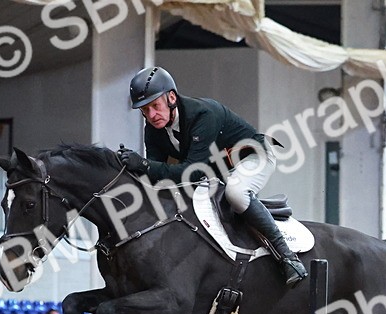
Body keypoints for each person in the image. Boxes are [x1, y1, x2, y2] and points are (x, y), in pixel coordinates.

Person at [117, 66, 307, 288]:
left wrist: (144, 164)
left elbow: (191, 171)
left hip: (253, 155)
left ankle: (287, 257)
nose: (151, 115)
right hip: (216, 168)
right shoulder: (153, 128)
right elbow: (157, 178)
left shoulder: (202, 114)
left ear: (171, 97)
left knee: (235, 193)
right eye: (145, 110)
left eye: (155, 106)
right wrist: (134, 171)